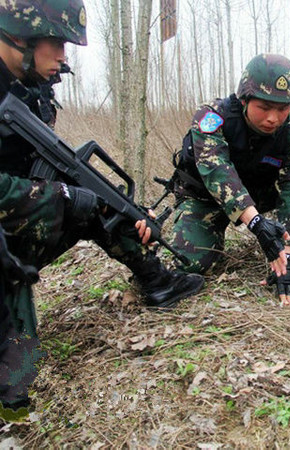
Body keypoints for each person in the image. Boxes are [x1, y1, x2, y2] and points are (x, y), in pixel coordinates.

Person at [0, 0, 204, 419]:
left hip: (10, 231)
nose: (63, 56)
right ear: (18, 36)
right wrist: (64, 198)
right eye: (56, 43)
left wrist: (127, 214)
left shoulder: (29, 88)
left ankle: (157, 280)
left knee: (93, 201)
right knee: (14, 388)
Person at [170, 54, 290, 305]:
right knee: (190, 264)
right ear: (244, 100)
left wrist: (288, 256)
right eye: (264, 107)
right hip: (206, 199)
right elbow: (217, 172)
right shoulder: (212, 118)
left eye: (283, 108)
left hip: (258, 193)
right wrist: (257, 224)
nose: (273, 118)